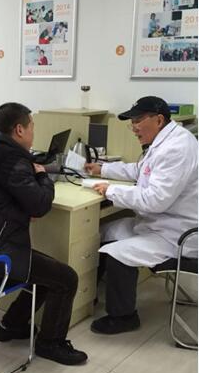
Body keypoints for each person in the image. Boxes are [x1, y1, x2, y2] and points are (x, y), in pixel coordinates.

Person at [0, 102, 88, 365]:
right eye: (32, 127)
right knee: (66, 278)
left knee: (42, 270)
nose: (33, 133)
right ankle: (50, 343)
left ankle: (10, 325)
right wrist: (42, 176)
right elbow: (40, 205)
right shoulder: (14, 161)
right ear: (19, 130)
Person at [85, 96, 198, 335]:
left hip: (177, 235)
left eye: (138, 120)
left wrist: (111, 190)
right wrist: (103, 169)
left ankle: (124, 316)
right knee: (103, 231)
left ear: (159, 120)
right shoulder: (164, 142)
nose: (134, 127)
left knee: (116, 253)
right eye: (132, 122)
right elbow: (141, 170)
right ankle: (89, 297)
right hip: (161, 223)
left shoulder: (177, 148)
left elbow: (155, 200)